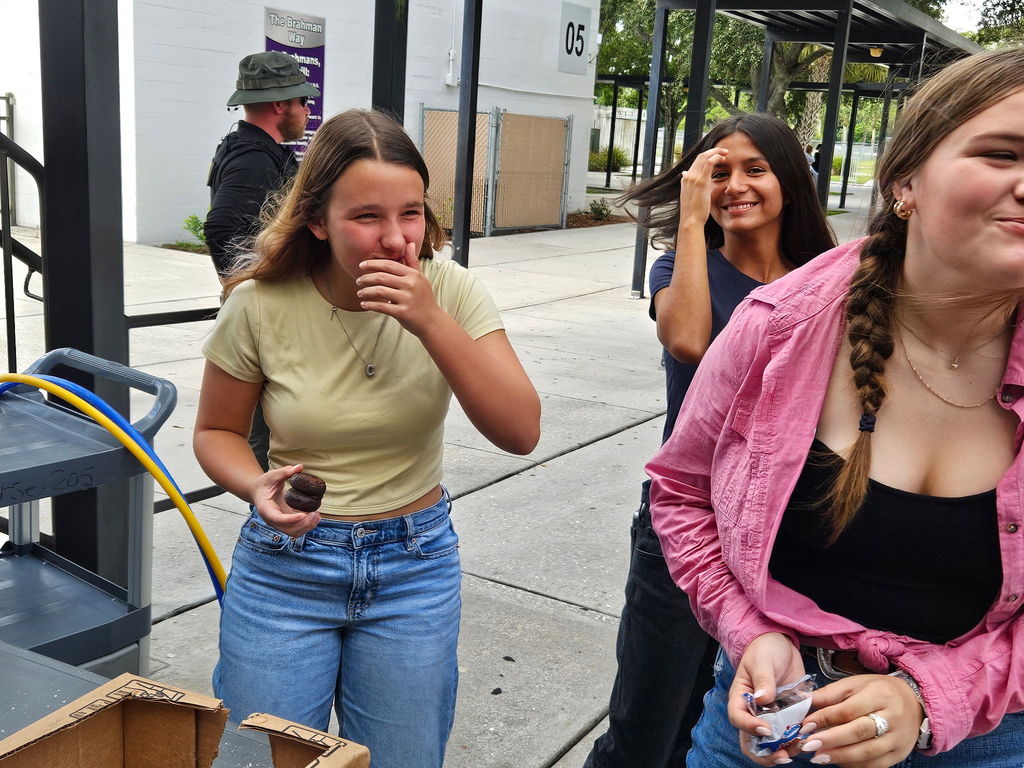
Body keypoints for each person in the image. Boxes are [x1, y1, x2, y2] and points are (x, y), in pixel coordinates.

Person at [648, 47, 1024, 768]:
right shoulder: (778, 324)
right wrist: (747, 628)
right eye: (1001, 153)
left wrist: (933, 696)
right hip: (770, 724)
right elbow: (681, 489)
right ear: (905, 180)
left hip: (987, 737)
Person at [193, 109, 541, 768]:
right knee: (258, 760)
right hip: (287, 566)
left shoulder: (451, 290)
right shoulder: (261, 303)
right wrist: (252, 482)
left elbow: (520, 430)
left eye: (410, 213)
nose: (395, 239)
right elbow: (215, 432)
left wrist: (431, 323)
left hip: (414, 565)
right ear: (318, 220)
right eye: (366, 217)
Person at [584, 113, 835, 768]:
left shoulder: (827, 276)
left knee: (743, 725)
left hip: (788, 535)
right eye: (718, 171)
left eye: (756, 168)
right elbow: (689, 340)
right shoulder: (682, 266)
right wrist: (693, 223)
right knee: (647, 727)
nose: (737, 185)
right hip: (688, 530)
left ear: (790, 180)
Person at [205, 50, 319, 470]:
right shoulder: (254, 158)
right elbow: (222, 227)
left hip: (261, 308)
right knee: (262, 427)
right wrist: (256, 287)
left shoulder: (252, 149)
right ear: (280, 105)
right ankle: (269, 512)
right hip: (264, 312)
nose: (307, 111)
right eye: (303, 102)